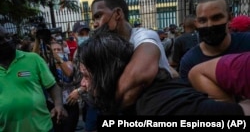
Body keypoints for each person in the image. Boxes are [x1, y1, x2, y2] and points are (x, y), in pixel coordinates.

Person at [77, 32, 250, 115]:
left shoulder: (162, 107)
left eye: (86, 76)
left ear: (108, 73)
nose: (82, 85)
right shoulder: (132, 102)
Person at [91, 0, 178, 109]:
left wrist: (107, 100)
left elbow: (138, 75)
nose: (95, 24)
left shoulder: (144, 35)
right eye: (94, 19)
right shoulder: (110, 45)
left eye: (98, 16)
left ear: (117, 14)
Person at [0, 25, 68, 131]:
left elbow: (53, 86)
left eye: (7, 36)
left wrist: (58, 105)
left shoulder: (33, 59)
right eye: (1, 39)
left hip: (42, 128)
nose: (6, 41)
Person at [179, 0, 250, 82]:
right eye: (203, 20)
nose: (209, 25)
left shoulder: (247, 43)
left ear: (229, 18)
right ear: (196, 24)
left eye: (216, 18)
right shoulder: (189, 62)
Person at [47, 42, 79, 132]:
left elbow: (69, 74)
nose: (57, 52)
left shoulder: (69, 64)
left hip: (70, 102)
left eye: (59, 49)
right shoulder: (46, 67)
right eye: (54, 50)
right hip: (53, 105)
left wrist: (59, 60)